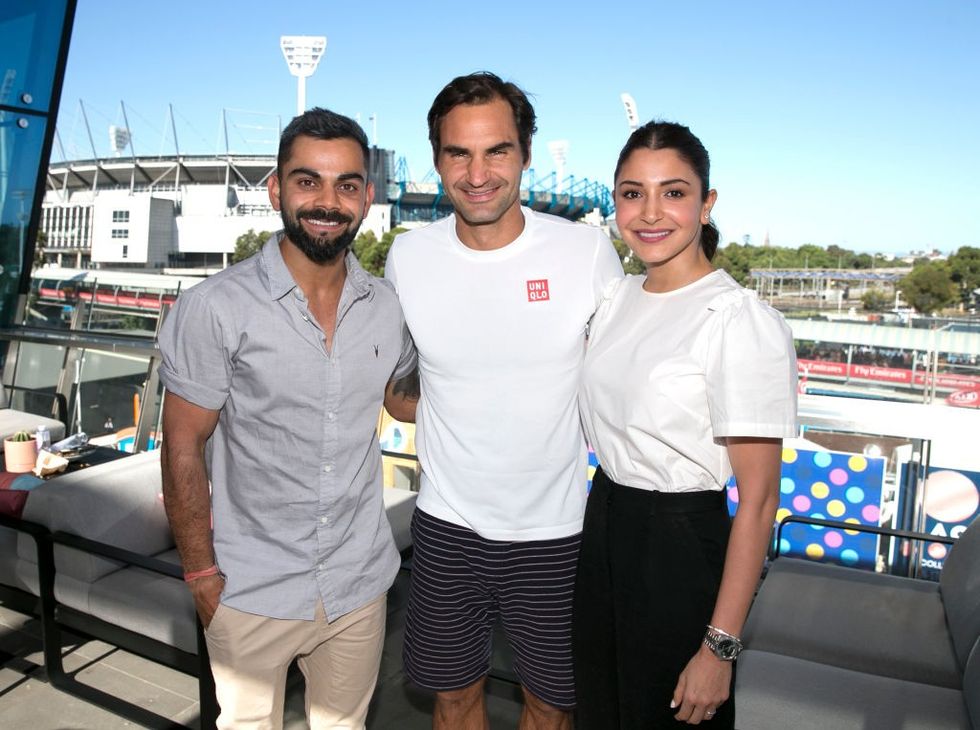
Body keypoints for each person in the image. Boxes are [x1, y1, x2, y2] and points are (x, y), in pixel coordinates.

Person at [158, 107, 418, 730]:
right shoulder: (215, 307)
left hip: (358, 583)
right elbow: (182, 446)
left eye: (346, 185)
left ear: (367, 198)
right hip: (251, 588)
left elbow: (402, 399)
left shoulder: (386, 306)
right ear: (276, 190)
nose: (328, 202)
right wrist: (201, 575)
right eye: (308, 181)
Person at [384, 72, 623, 729]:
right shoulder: (408, 256)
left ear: (525, 154)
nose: (478, 173)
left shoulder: (585, 251)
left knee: (551, 707)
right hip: (445, 527)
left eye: (497, 150)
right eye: (458, 153)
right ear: (437, 160)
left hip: (555, 535)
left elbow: (621, 384)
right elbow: (400, 389)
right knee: (453, 699)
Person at [574, 121, 798, 728]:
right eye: (632, 193)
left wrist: (719, 648)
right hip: (604, 526)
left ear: (706, 203)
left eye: (673, 192)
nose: (650, 213)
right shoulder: (615, 300)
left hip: (679, 548)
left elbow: (759, 501)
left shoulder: (737, 320)